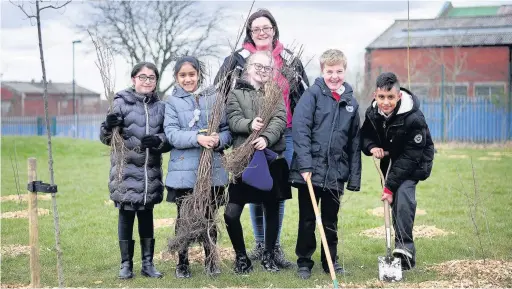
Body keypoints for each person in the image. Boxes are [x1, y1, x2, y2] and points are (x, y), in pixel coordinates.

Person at [214, 8, 308, 268]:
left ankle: (273, 247)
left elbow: (302, 96)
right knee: (254, 187)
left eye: (267, 28)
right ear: (249, 32)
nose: (262, 32)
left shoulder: (289, 60)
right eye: (256, 29)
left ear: (274, 29)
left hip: (282, 136)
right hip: (245, 141)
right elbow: (220, 94)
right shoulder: (237, 59)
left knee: (273, 191)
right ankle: (258, 245)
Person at [289, 49, 361, 279]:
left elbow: (354, 142)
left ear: (344, 70)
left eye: (338, 71)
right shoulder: (312, 95)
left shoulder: (350, 101)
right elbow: (301, 131)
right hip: (310, 171)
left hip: (335, 172)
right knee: (308, 218)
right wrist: (305, 166)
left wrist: (354, 177)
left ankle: (330, 259)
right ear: (323, 71)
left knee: (330, 219)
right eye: (330, 71)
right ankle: (304, 261)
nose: (334, 76)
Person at [100, 62, 171, 279]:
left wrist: (158, 140)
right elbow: (105, 138)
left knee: (146, 214)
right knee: (127, 213)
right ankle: (126, 265)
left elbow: (169, 139)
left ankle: (148, 264)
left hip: (150, 173)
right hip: (126, 171)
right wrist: (107, 125)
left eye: (151, 78)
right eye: (142, 77)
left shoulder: (161, 107)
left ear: (156, 82)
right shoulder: (120, 103)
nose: (147, 81)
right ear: (134, 79)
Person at [163, 56, 231, 278]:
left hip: (212, 169)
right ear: (176, 77)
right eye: (182, 75)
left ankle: (212, 259)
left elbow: (227, 130)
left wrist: (218, 139)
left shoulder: (215, 98)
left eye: (191, 74)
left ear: (199, 75)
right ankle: (182, 262)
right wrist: (198, 138)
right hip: (184, 172)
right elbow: (172, 134)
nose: (187, 79)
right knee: (184, 217)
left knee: (210, 216)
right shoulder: (171, 103)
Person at [224, 51, 291, 274]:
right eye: (259, 66)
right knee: (231, 213)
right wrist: (249, 124)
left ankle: (269, 256)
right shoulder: (235, 94)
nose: (263, 71)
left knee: (271, 208)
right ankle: (242, 257)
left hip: (271, 158)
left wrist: (265, 137)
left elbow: (280, 119)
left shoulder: (275, 92)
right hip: (243, 161)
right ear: (249, 67)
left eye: (268, 68)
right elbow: (233, 120)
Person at [360, 72, 434, 271]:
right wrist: (372, 147)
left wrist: (389, 187)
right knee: (395, 202)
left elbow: (411, 156)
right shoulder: (372, 113)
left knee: (403, 196)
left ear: (399, 96)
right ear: (375, 95)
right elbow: (365, 136)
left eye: (391, 97)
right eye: (382, 97)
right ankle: (402, 250)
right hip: (391, 162)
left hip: (415, 163)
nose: (386, 102)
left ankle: (405, 248)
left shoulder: (414, 117)